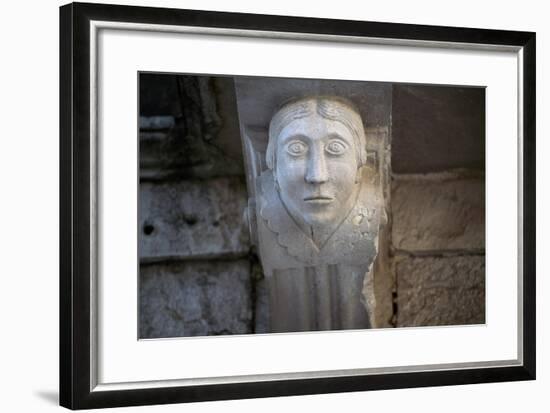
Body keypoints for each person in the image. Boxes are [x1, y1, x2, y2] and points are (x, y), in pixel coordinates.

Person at [253, 96, 384, 332]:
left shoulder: (371, 210)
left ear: (360, 163)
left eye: (335, 149)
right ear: (272, 165)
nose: (317, 175)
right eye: (296, 149)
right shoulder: (262, 215)